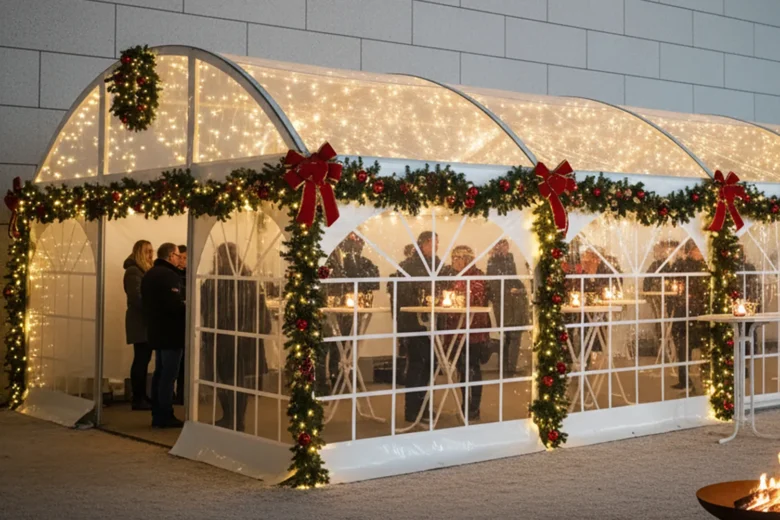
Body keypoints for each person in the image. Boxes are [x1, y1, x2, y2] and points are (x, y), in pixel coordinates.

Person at [201, 243, 271, 431]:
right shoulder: (249, 280)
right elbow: (259, 309)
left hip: (224, 338)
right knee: (239, 380)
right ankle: (236, 418)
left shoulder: (213, 281)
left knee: (226, 379)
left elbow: (207, 310)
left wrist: (208, 333)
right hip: (245, 337)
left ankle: (231, 417)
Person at [318, 233, 380, 394]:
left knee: (341, 346)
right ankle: (321, 384)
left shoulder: (357, 262)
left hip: (344, 309)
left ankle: (338, 379)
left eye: (358, 244)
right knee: (324, 345)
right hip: (327, 307)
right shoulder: (327, 257)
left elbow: (372, 279)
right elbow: (329, 280)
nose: (356, 247)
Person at [395, 231, 441, 423]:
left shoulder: (437, 265)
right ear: (422, 245)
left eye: (437, 243)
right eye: (432, 243)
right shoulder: (408, 267)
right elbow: (402, 298)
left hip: (433, 323)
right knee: (418, 364)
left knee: (432, 364)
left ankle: (423, 406)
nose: (436, 247)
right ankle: (413, 409)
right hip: (414, 324)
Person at [141, 243, 186, 428]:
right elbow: (173, 305)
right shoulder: (169, 276)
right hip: (171, 332)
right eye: (177, 255)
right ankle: (165, 414)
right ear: (170, 256)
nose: (179, 258)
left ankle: (157, 412)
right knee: (168, 375)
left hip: (156, 330)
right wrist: (186, 306)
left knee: (160, 372)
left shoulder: (150, 273)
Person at [444, 245, 490, 421]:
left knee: (472, 368)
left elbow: (473, 300)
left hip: (473, 332)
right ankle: (465, 403)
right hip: (457, 330)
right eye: (453, 258)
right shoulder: (454, 277)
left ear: (466, 260)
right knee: (462, 369)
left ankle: (473, 406)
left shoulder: (477, 277)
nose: (454, 262)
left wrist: (456, 296)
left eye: (458, 259)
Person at [487, 239, 529, 377]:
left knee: (512, 335)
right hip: (504, 303)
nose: (505, 249)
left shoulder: (509, 260)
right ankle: (506, 369)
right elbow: (494, 283)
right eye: (502, 246)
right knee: (508, 335)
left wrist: (520, 288)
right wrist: (509, 291)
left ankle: (508, 368)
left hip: (513, 303)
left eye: (506, 246)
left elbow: (512, 278)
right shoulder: (493, 262)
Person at [670, 241, 708, 390]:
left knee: (702, 346)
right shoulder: (683, 265)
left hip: (700, 312)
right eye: (696, 249)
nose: (698, 252)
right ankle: (684, 379)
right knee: (683, 346)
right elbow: (674, 279)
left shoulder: (705, 266)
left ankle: (704, 376)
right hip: (686, 311)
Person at [124, 240, 154, 410]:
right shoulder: (134, 271)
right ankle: (138, 398)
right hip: (139, 321)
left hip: (145, 320)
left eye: (152, 251)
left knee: (144, 359)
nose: (151, 255)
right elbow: (135, 298)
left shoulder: (143, 270)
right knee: (141, 359)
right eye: (147, 251)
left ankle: (142, 395)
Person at [174, 244, 188, 406]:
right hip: (176, 324)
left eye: (185, 258)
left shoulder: (191, 274)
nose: (183, 261)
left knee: (185, 362)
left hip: (187, 324)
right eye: (181, 257)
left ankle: (183, 394)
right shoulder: (173, 276)